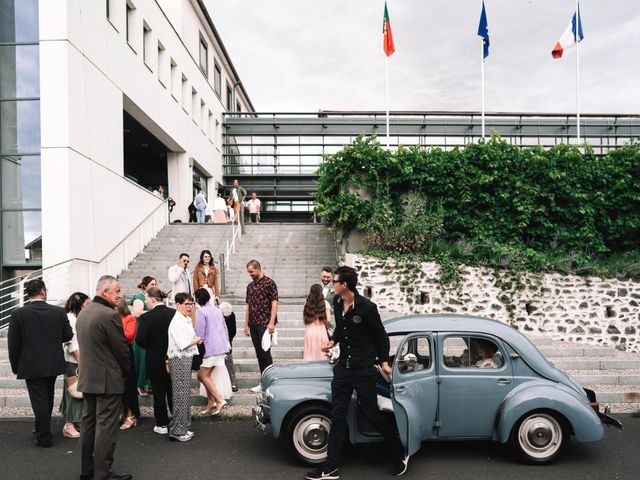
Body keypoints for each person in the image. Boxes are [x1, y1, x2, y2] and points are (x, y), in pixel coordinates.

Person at [305, 266, 408, 480]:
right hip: (343, 368)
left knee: (372, 414)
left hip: (363, 370)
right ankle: (330, 467)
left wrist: (384, 362)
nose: (332, 284)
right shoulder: (336, 301)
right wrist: (332, 340)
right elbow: (341, 330)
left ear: (345, 285)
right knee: (337, 415)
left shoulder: (367, 308)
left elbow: (381, 337)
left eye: (335, 281)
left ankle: (400, 453)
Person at [76, 275, 131, 480]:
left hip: (89, 377)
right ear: (104, 291)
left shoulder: (84, 312)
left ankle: (87, 471)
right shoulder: (109, 315)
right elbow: (121, 350)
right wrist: (126, 372)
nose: (119, 295)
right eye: (116, 291)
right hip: (108, 379)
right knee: (106, 428)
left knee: (89, 425)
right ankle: (103, 474)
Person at [8, 279, 73, 447]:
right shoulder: (58, 312)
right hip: (52, 362)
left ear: (28, 294)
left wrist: (15, 366)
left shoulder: (18, 314)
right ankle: (41, 429)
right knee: (47, 396)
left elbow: (13, 343)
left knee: (38, 399)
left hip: (31, 364)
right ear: (43, 292)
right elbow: (68, 335)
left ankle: (44, 437)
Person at [135, 287, 174, 435]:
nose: (145, 302)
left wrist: (150, 346)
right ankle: (177, 419)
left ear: (152, 299)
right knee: (172, 391)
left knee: (158, 392)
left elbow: (139, 339)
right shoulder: (174, 313)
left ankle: (162, 424)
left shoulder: (147, 317)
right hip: (172, 358)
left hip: (154, 358)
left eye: (146, 299)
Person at [167, 293, 202, 442]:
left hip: (184, 359)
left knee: (183, 394)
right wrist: (195, 341)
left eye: (191, 304)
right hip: (179, 359)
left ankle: (181, 427)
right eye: (186, 304)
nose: (189, 307)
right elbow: (182, 344)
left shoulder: (184, 319)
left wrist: (194, 341)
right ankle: (178, 430)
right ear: (178, 305)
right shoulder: (177, 321)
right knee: (180, 394)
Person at [194, 288, 230, 415]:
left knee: (201, 375)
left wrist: (195, 342)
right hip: (220, 347)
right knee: (207, 376)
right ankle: (210, 402)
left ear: (197, 299)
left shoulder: (201, 311)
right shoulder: (217, 310)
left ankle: (219, 400)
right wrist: (227, 344)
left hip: (209, 348)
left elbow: (200, 333)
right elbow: (225, 328)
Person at [244, 260, 278, 393]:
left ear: (258, 269)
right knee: (259, 354)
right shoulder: (250, 286)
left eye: (251, 272)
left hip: (265, 323)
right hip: (253, 323)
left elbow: (274, 303)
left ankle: (270, 383)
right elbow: (248, 305)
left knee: (265, 354)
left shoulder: (270, 283)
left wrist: (271, 322)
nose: (250, 274)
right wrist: (245, 323)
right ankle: (264, 382)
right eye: (248, 272)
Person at [60, 291, 91, 439]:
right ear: (79, 305)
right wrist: (81, 360)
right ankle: (69, 425)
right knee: (74, 392)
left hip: (76, 360)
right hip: (74, 361)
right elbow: (70, 343)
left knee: (74, 391)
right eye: (86, 304)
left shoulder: (76, 317)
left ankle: (74, 422)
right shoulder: (71, 319)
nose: (88, 307)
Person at [130, 276, 157, 396]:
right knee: (140, 357)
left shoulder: (153, 298)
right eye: (152, 284)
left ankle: (149, 384)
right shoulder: (139, 297)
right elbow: (137, 313)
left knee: (148, 358)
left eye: (155, 284)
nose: (154, 286)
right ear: (145, 285)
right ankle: (138, 385)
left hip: (150, 332)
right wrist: (154, 311)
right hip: (140, 331)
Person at [116, 299, 140, 430]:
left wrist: (113, 333)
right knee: (118, 386)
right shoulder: (112, 318)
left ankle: (131, 415)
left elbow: (130, 336)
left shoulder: (130, 318)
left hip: (126, 353)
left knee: (129, 386)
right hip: (114, 354)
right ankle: (123, 413)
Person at [303, 284, 331, 361]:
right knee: (322, 355)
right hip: (321, 331)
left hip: (309, 331)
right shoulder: (325, 303)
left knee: (310, 355)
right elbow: (328, 320)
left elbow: (304, 318)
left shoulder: (307, 303)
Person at [219, 301, 238, 392]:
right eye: (224, 316)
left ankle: (233, 383)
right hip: (217, 341)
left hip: (227, 341)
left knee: (229, 362)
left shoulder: (232, 315)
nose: (226, 318)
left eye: (227, 317)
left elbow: (233, 331)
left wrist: (227, 341)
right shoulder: (216, 315)